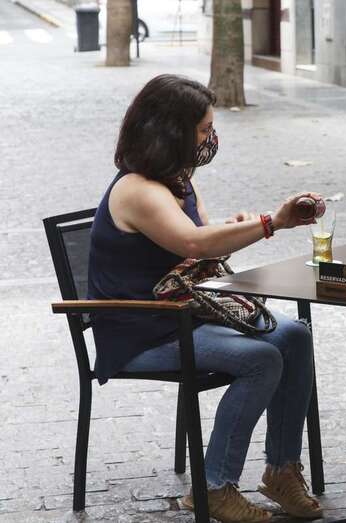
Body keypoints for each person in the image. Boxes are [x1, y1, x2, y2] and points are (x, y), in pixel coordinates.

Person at [87, 75, 322, 523]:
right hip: (142, 331)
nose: (210, 139)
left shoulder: (178, 181)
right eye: (203, 129)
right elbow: (195, 244)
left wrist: (234, 231)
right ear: (172, 131)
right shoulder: (137, 190)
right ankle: (213, 487)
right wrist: (273, 222)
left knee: (294, 336)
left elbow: (203, 245)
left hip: (182, 314)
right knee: (262, 359)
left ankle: (282, 471)